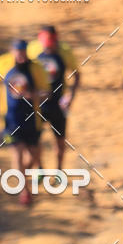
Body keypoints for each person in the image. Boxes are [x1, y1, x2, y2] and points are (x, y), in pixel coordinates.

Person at [0, 37, 49, 206]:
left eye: (24, 53)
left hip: (33, 120)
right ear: (11, 51)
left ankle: (26, 172)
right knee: (16, 153)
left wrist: (34, 95)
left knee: (34, 154)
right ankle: (25, 192)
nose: (21, 57)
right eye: (18, 53)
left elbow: (47, 92)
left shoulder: (36, 68)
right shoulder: (3, 63)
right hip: (10, 120)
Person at [26, 24, 81, 170]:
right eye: (45, 45)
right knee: (35, 141)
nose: (48, 48)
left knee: (60, 142)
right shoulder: (32, 50)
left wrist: (71, 97)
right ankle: (40, 169)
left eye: (51, 45)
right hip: (38, 105)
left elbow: (77, 75)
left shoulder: (65, 51)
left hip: (58, 104)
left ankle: (59, 171)